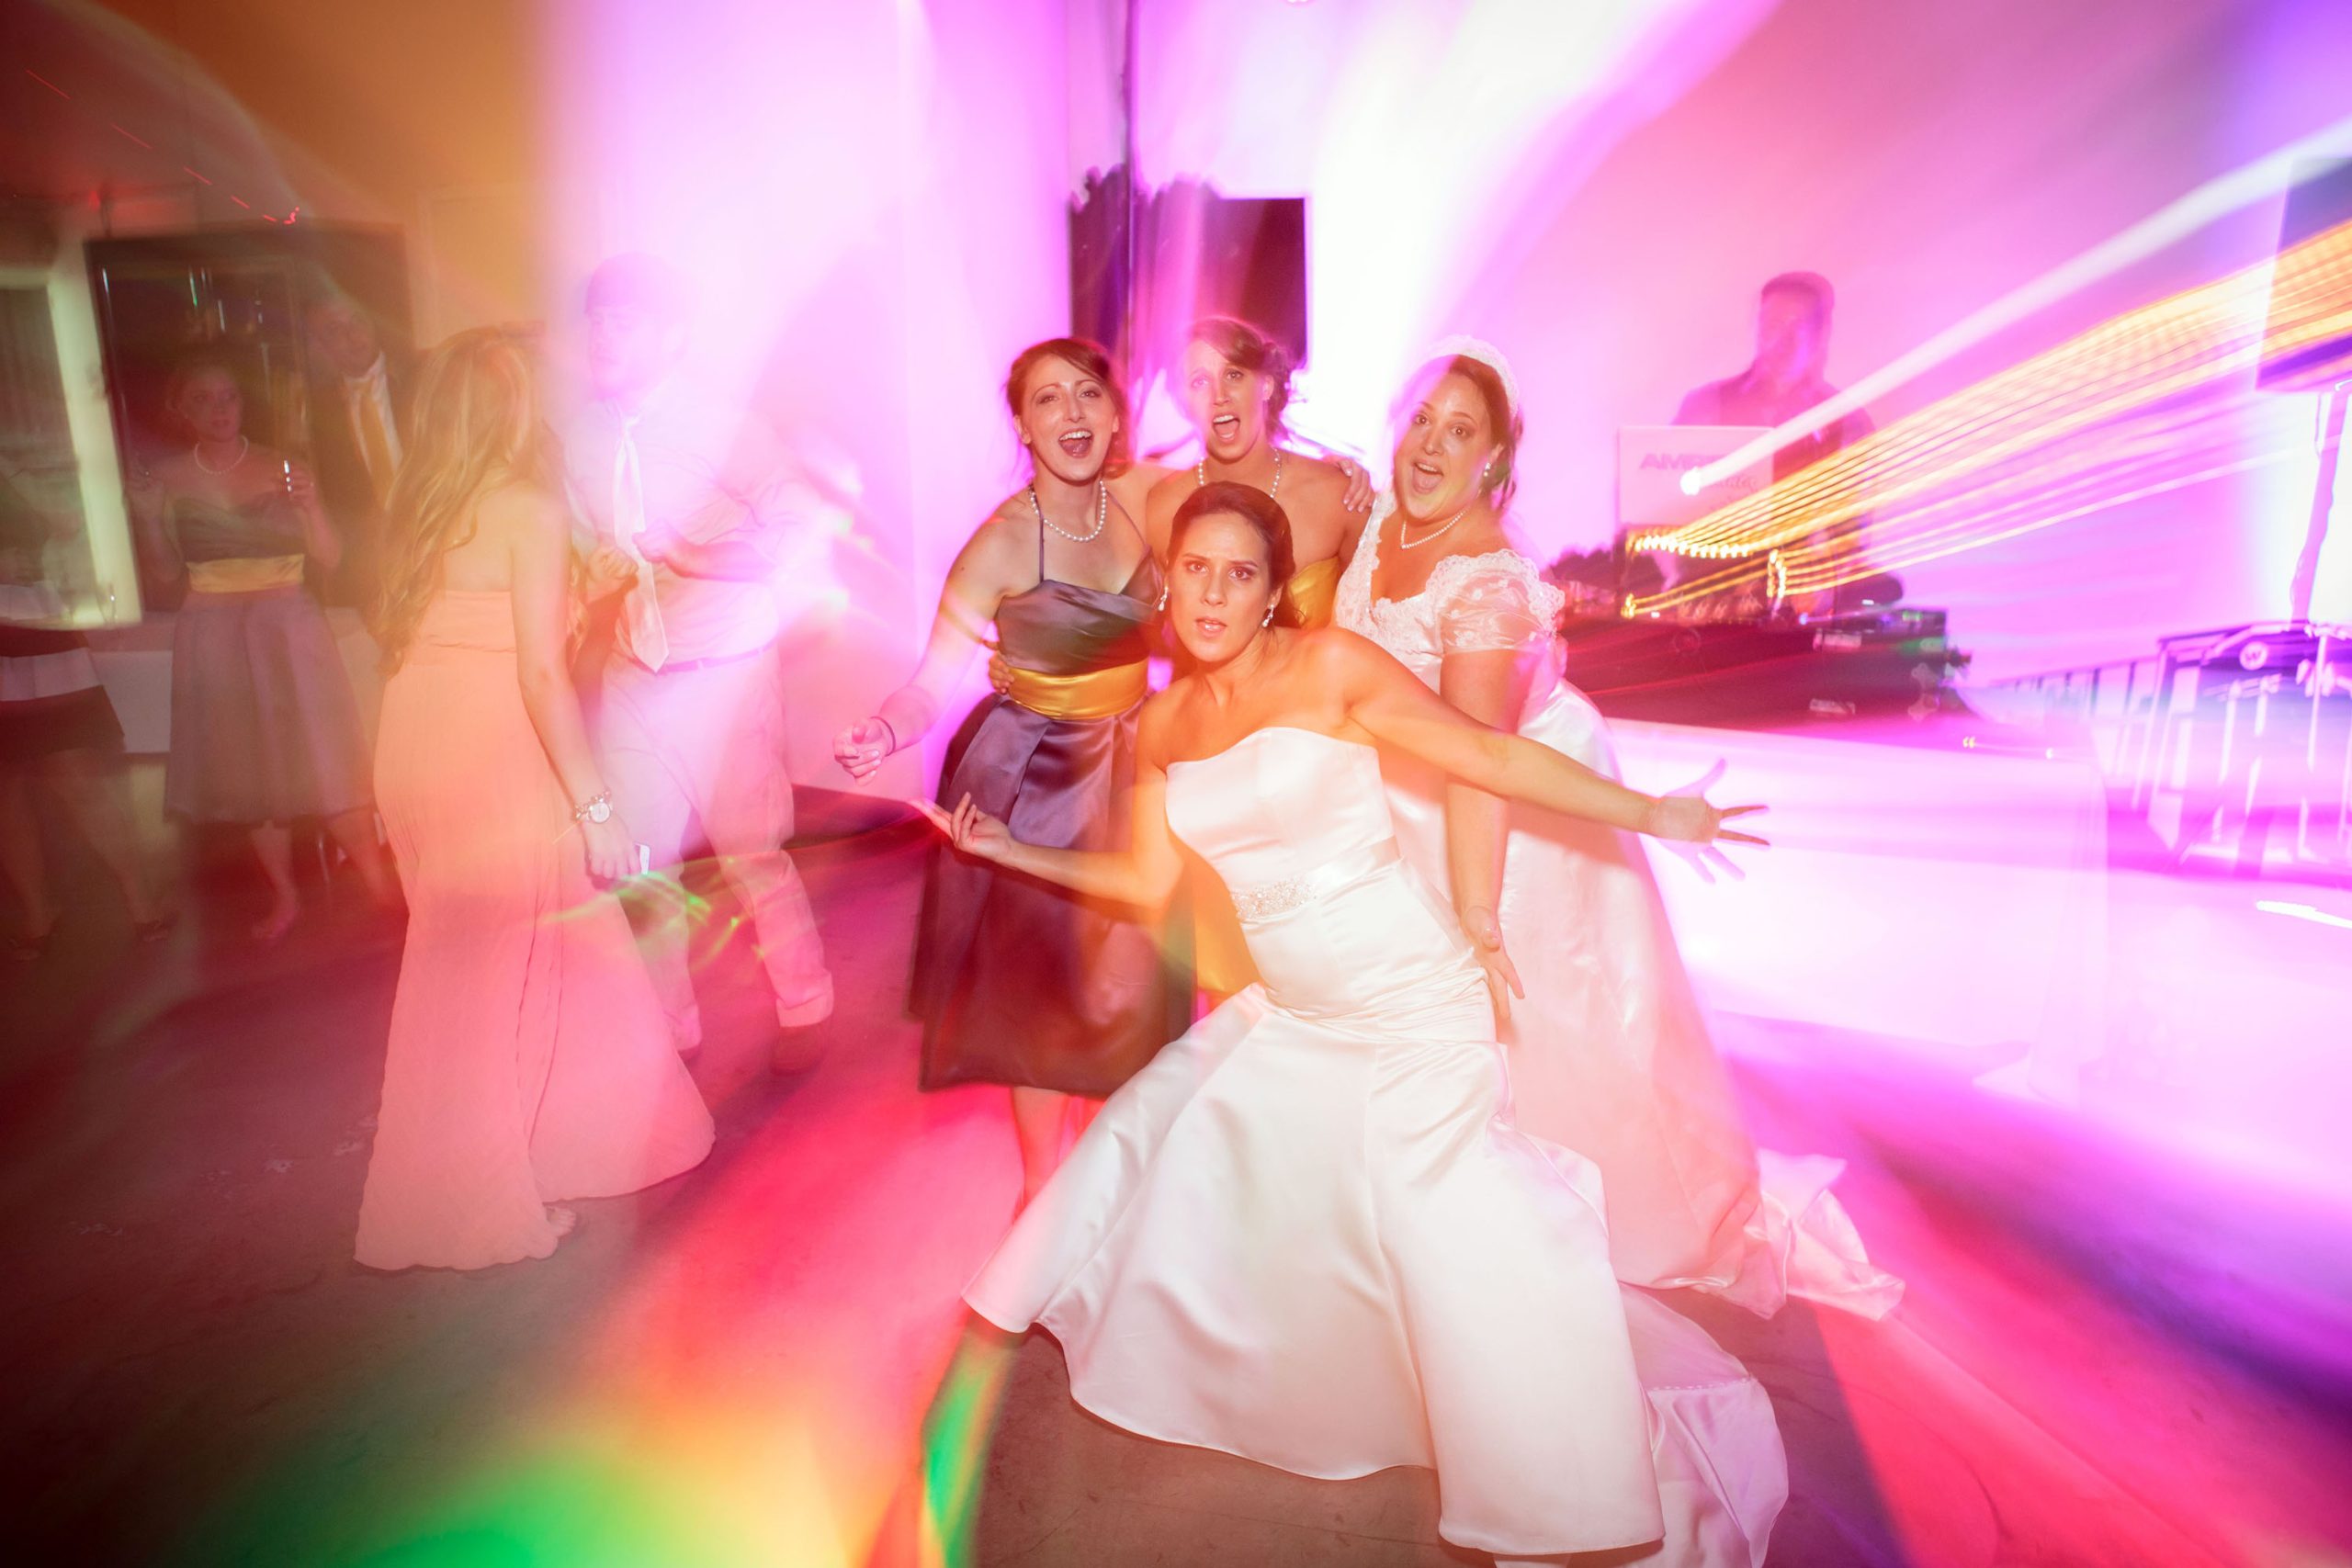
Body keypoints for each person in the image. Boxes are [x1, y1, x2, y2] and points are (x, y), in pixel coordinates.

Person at [925, 482, 1783, 1566]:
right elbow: (1147, 883)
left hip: (1414, 996)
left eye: (1241, 574)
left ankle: (1569, 1488)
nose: (1213, 593)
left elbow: (1489, 756)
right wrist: (1008, 851)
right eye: (1196, 568)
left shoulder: (1329, 667)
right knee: (1169, 1137)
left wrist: (1655, 812)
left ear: (1273, 592)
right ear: (1169, 578)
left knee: (1452, 1215)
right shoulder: (1163, 725)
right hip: (1297, 1012)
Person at [1339, 340, 1901, 1317]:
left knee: (1547, 1023)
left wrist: (1477, 913)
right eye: (1421, 420)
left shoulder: (1486, 590)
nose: (1430, 446)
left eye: (1459, 431)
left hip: (1513, 811)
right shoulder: (1379, 520)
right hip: (1412, 790)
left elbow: (1484, 763)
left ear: (1496, 464)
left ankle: (1574, 1212)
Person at [356, 328, 712, 1272]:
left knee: (521, 954)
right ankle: (469, 1214)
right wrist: (595, 807)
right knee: (485, 977)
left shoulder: (416, 505)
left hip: (415, 744)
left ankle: (558, 1145)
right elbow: (542, 674)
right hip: (492, 751)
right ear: (517, 409)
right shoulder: (525, 506)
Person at [834, 338, 1192, 1206]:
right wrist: (884, 728)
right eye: (1046, 401)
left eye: (1086, 396)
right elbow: (931, 681)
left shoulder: (1145, 498)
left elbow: (1252, 489)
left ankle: (1114, 1197)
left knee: (1128, 987)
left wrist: (1348, 479)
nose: (1071, 414)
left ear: (1114, 414)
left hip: (1134, 764)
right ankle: (1045, 1198)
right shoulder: (999, 543)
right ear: (1023, 427)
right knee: (1040, 997)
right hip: (1032, 776)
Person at [560, 254, 832, 1057]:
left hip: (725, 671)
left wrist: (698, 555)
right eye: (595, 318)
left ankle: (804, 1006)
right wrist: (589, 578)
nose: (602, 333)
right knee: (644, 870)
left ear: (673, 336)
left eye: (623, 318)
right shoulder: (577, 436)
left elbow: (800, 527)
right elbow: (579, 545)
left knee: (753, 857)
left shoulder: (724, 424)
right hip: (632, 674)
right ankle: (671, 1035)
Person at [130, 359, 397, 943]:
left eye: (228, 396)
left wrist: (310, 507)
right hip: (213, 630)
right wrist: (150, 520)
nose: (220, 409)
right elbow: (166, 574)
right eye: (202, 399)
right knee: (249, 777)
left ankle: (381, 888)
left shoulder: (284, 465)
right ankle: (286, 899)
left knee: (328, 761)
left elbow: (328, 559)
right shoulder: (166, 477)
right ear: (180, 409)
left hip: (287, 624)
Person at [0, 459, 169, 954]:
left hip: (35, 627)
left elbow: (74, 520)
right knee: (4, 790)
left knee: (76, 776)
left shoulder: (19, 456)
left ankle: (143, 905)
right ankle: (38, 916)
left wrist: (10, 466)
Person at [1676, 272, 1880, 615]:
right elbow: (1659, 506)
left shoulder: (1848, 424)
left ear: (1819, 335)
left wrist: (1825, 585)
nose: (1780, 340)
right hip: (1705, 605)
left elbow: (1851, 535)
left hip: (1795, 612)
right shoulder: (1705, 407)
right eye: (1771, 324)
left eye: (1796, 327)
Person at [1144, 316, 1366, 627]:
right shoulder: (1162, 508)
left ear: (1266, 385)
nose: (1219, 395)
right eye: (1199, 381)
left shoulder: (1339, 497)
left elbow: (1372, 629)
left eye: (1234, 374)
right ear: (1182, 403)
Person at [304, 289, 413, 609]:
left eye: (357, 320)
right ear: (320, 345)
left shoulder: (421, 378)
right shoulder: (317, 412)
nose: (352, 335)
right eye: (334, 330)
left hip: (439, 541)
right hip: (375, 566)